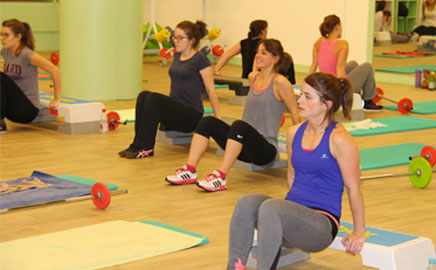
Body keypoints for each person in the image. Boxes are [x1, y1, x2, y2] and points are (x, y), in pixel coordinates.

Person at [227, 72, 365, 270]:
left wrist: (359, 231)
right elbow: (291, 176)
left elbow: (353, 189)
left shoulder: (340, 139)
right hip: (290, 220)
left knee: (271, 207)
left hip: (321, 227)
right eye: (301, 94)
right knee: (246, 202)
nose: (299, 100)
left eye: (308, 97)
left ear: (326, 105)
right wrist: (287, 216)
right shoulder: (294, 132)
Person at [166, 39, 300, 192]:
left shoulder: (280, 82)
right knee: (207, 122)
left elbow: (295, 112)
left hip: (265, 150)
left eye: (264, 53)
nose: (258, 55)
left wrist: (299, 145)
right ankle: (190, 170)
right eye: (258, 52)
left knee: (239, 126)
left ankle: (221, 177)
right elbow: (254, 70)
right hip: (243, 145)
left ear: (275, 58)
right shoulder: (253, 77)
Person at [118, 20, 221, 159]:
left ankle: (147, 148)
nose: (176, 41)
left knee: (154, 99)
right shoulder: (177, 55)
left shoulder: (200, 59)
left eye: (180, 38)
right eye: (175, 37)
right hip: (175, 111)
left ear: (192, 40)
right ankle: (137, 145)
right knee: (144, 95)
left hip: (191, 116)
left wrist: (217, 116)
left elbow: (210, 89)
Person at [309, 14, 383, 112]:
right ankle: (368, 102)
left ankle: (359, 97)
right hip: (336, 87)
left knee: (353, 64)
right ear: (337, 27)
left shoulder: (318, 42)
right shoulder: (342, 45)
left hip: (325, 84)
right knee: (367, 67)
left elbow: (314, 65)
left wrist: (308, 85)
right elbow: (340, 68)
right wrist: (341, 94)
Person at [1, 18, 61, 134]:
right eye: (1, 34)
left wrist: (56, 98)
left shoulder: (27, 54)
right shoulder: (6, 51)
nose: (2, 38)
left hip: (27, 109)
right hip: (12, 109)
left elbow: (55, 70)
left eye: (6, 35)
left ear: (18, 37)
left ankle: (0, 125)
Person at [213, 20, 296, 84]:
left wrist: (217, 69)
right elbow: (255, 65)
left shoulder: (244, 42)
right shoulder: (264, 45)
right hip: (255, 79)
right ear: (263, 31)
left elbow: (228, 54)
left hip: (246, 77)